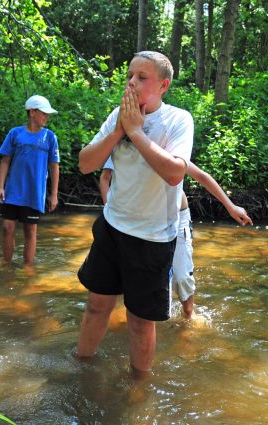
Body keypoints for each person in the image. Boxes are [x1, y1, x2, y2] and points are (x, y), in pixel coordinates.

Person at [75, 51, 193, 375]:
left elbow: (174, 174)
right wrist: (119, 130)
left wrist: (136, 132)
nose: (131, 82)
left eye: (142, 77)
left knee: (140, 322)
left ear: (163, 85)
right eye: (129, 75)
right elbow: (85, 164)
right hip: (112, 228)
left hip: (153, 238)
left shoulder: (178, 120)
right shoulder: (118, 116)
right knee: (96, 306)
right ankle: (80, 369)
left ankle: (139, 390)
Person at [99, 158, 253, 319]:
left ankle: (188, 316)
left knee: (182, 278)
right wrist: (110, 214)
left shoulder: (171, 150)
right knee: (144, 279)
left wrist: (230, 206)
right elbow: (105, 177)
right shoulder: (126, 148)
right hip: (144, 221)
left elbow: (201, 176)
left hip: (178, 217)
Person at [0, 95, 60, 264]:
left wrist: (54, 195)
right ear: (32, 112)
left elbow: (54, 166)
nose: (47, 117)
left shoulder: (50, 137)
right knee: (7, 227)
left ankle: (27, 270)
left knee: (30, 230)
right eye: (44, 113)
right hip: (13, 191)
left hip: (34, 193)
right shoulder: (15, 133)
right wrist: (0, 187)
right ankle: (6, 267)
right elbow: (5, 160)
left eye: (48, 114)